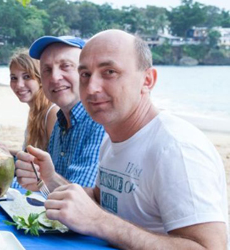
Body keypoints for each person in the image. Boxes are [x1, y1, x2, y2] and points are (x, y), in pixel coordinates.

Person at [18, 29, 228, 248]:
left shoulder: (176, 149)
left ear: (147, 80)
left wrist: (100, 222)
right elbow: (104, 201)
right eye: (85, 74)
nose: (92, 88)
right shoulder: (113, 137)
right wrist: (50, 179)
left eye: (109, 72)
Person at [15, 36, 106, 190]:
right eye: (47, 70)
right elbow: (49, 188)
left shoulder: (100, 123)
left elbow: (82, 203)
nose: (55, 77)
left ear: (86, 73)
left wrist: (48, 179)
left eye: (66, 66)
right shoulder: (60, 123)